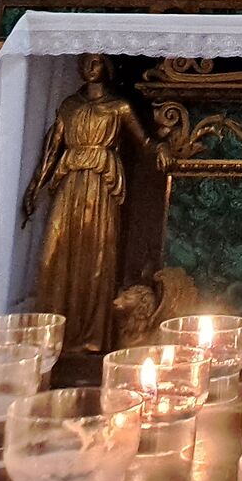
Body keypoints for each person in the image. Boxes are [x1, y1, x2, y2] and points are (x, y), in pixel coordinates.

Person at [21, 55, 149, 352]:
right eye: (84, 62)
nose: (88, 68)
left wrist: (162, 147)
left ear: (107, 66)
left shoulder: (119, 107)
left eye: (95, 62)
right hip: (70, 181)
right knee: (58, 249)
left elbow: (144, 142)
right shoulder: (69, 106)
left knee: (98, 252)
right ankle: (54, 331)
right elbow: (52, 149)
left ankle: (93, 334)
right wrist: (34, 188)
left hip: (101, 184)